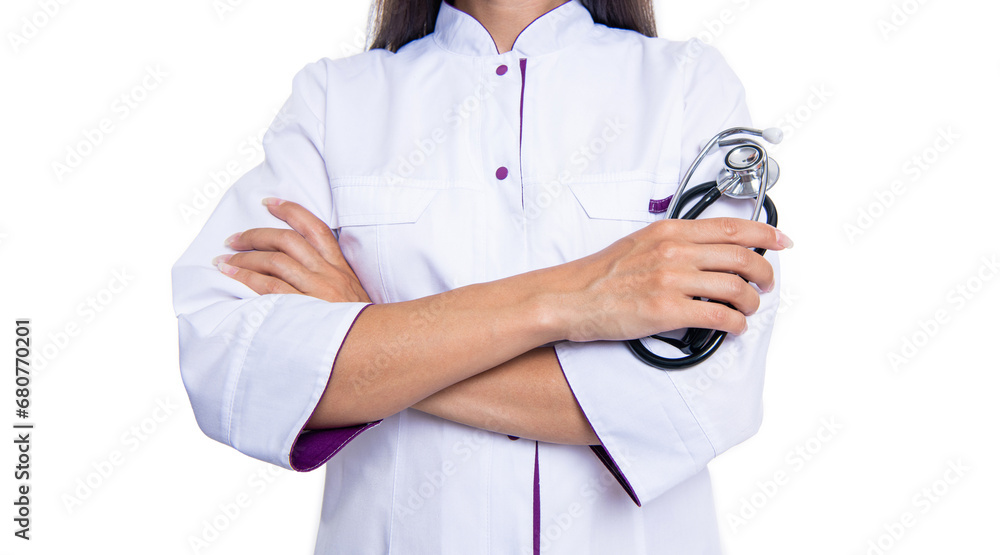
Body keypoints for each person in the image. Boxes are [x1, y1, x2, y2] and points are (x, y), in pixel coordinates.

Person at [170, 0, 792, 552]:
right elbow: (234, 362)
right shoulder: (335, 99)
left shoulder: (685, 84)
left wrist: (375, 336)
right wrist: (573, 297)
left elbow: (700, 394)